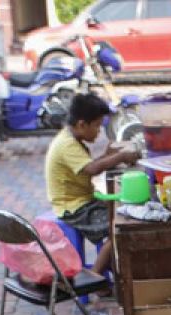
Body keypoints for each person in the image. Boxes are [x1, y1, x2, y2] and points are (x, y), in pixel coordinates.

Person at [45, 93, 139, 279]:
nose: (98, 131)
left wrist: (109, 155)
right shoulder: (66, 145)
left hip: (85, 200)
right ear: (81, 124)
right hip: (73, 207)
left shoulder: (73, 139)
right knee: (119, 229)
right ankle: (96, 275)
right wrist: (120, 156)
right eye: (97, 126)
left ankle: (116, 270)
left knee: (123, 212)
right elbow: (92, 168)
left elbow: (91, 164)